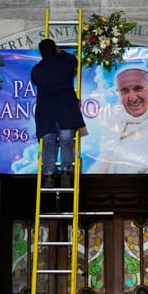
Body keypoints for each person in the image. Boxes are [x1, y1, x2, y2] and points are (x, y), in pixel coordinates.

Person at [30, 39, 85, 186]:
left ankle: (48, 174)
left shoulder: (37, 70)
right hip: (65, 109)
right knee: (67, 140)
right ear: (55, 50)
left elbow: (36, 79)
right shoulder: (65, 64)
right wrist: (61, 53)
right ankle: (66, 171)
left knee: (48, 142)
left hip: (46, 112)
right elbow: (73, 60)